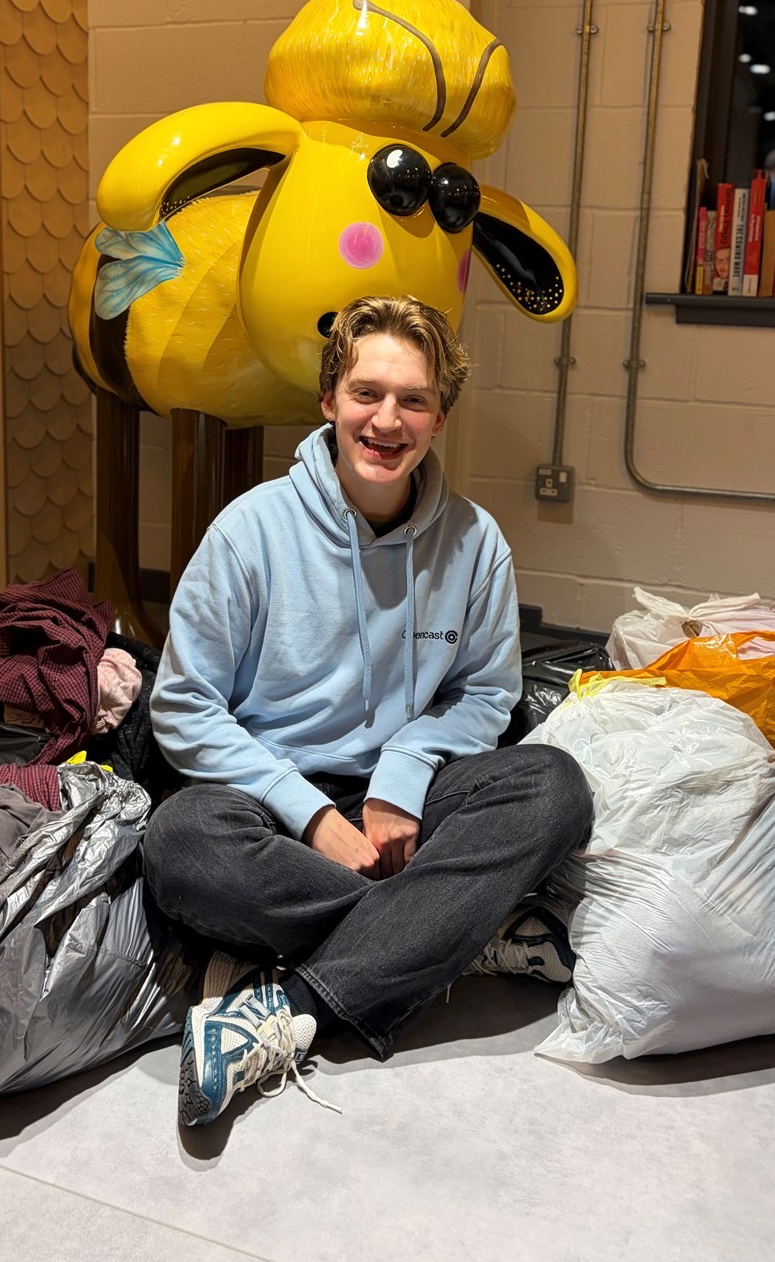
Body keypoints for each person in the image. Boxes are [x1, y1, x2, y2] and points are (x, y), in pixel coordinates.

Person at [144, 296, 592, 1128]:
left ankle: (285, 1003)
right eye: (366, 393)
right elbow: (182, 706)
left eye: (413, 399)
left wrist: (401, 777)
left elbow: (488, 693)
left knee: (554, 786)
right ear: (328, 402)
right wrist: (310, 815)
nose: (387, 420)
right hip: (270, 804)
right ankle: (458, 932)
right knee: (179, 844)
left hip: (408, 808)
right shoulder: (249, 532)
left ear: (440, 417)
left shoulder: (476, 541)